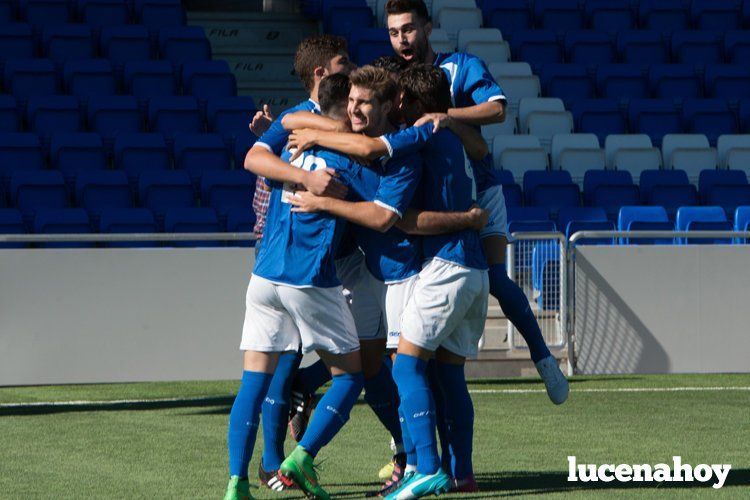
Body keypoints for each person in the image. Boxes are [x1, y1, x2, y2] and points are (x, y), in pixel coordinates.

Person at [286, 66, 490, 497]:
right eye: (352, 101)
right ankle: (451, 473)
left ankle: (423, 466)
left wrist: (322, 187)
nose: (356, 108)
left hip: (411, 275)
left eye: (366, 102)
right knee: (422, 374)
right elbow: (297, 124)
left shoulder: (412, 141)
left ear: (400, 106)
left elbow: (386, 218)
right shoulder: (427, 135)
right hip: (416, 271)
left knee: (408, 369)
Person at [384, 0, 569, 406]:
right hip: (428, 195)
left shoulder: (461, 66)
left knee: (496, 279)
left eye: (409, 29)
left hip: (479, 189)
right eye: (395, 32)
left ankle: (543, 359)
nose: (403, 39)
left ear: (428, 27)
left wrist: (444, 115)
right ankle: (411, 444)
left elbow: (497, 109)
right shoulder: (391, 76)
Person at [239, 33, 356, 494]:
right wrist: (303, 166)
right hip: (295, 260)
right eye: (344, 63)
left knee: (339, 355)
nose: (353, 69)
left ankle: (275, 460)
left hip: (339, 254)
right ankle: (274, 464)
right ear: (321, 73)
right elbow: (256, 163)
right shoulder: (293, 120)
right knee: (289, 360)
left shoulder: (308, 121)